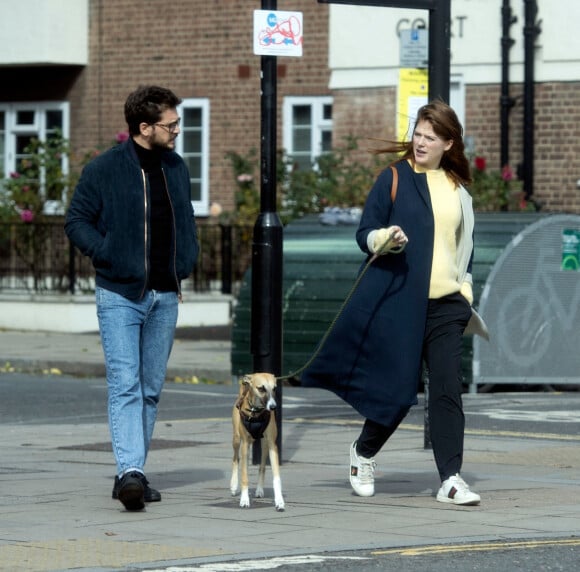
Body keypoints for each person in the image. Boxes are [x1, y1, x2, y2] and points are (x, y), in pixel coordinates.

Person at [301, 100, 488, 506]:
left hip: (446, 307)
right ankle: (363, 452)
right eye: (417, 134)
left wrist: (466, 290)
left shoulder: (457, 189)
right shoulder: (394, 178)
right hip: (401, 304)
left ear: (448, 143)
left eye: (430, 137)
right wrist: (384, 239)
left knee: (445, 390)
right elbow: (365, 231)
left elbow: (465, 247)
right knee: (399, 391)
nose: (420, 142)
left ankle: (451, 479)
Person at [65, 85, 199, 511]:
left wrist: (186, 261)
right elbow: (77, 221)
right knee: (125, 385)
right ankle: (130, 473)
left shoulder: (175, 167)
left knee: (150, 389)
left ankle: (132, 470)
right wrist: (107, 253)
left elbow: (187, 218)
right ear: (144, 128)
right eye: (170, 124)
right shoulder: (104, 169)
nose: (177, 130)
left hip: (165, 295)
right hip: (120, 293)